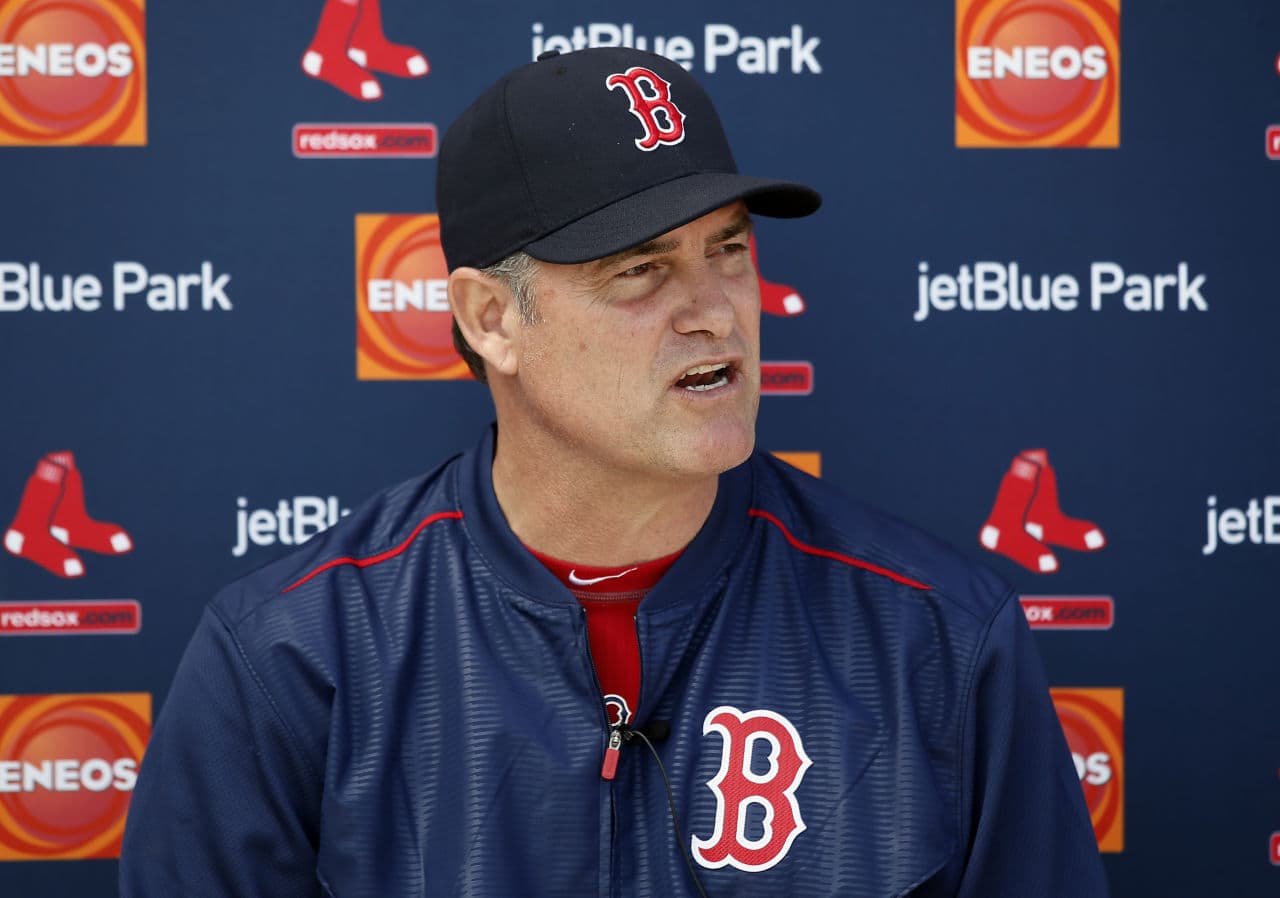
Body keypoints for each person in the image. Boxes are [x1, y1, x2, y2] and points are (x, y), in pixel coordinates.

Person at [119, 47, 1109, 897]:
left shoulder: (934, 636)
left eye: (727, 251)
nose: (713, 310)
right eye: (638, 269)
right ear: (490, 320)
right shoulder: (293, 661)